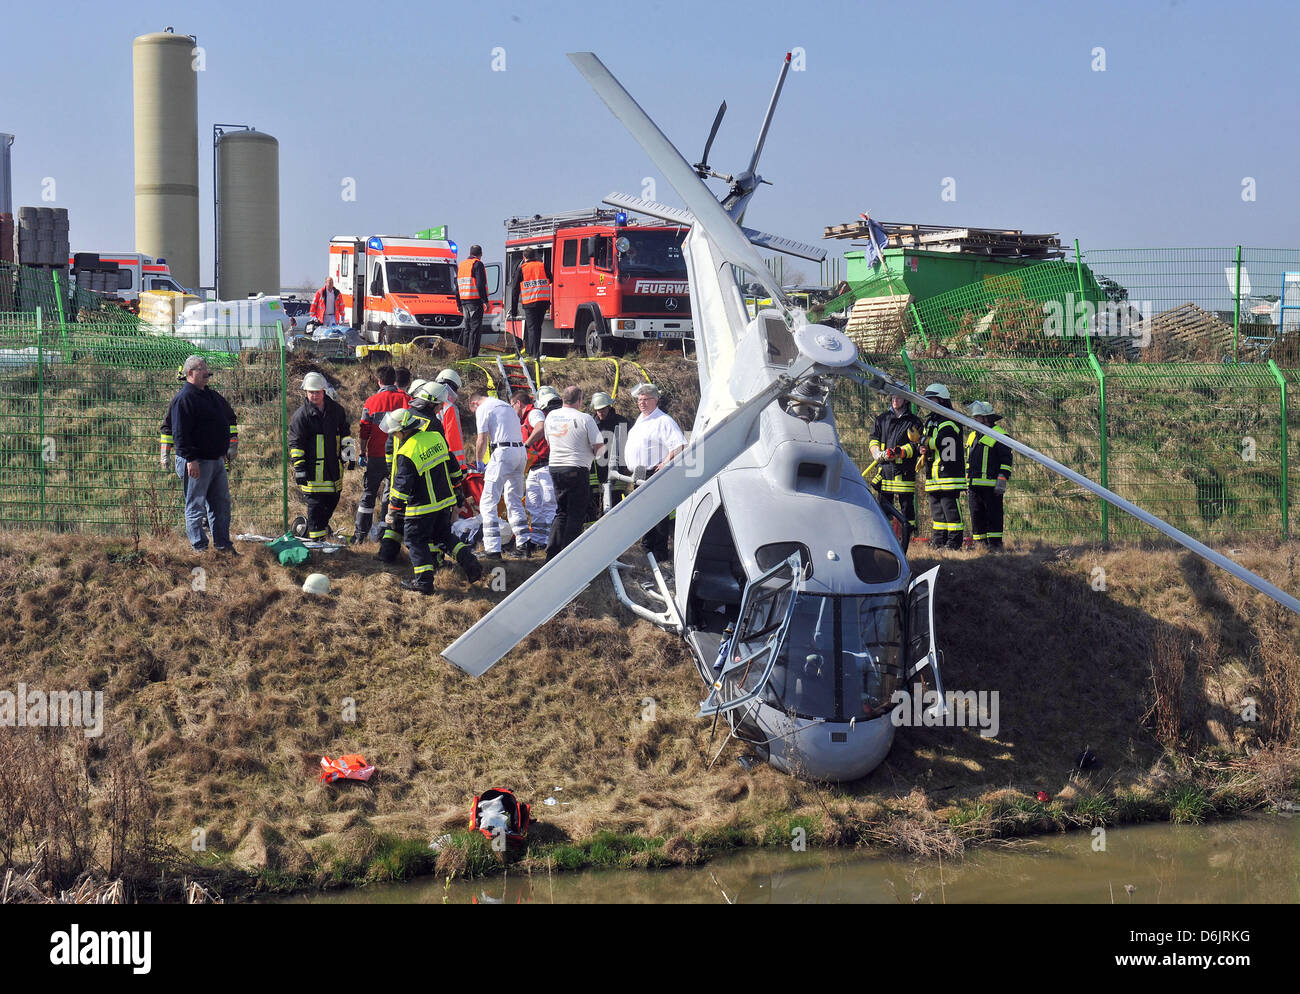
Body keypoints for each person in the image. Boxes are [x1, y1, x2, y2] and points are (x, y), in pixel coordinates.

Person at [384, 408, 481, 594]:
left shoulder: (406, 452)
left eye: (395, 433)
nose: (394, 436)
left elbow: (402, 487)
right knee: (444, 537)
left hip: (421, 508)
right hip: (444, 503)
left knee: (415, 541)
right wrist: (457, 490)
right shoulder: (435, 438)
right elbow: (453, 467)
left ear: (403, 431)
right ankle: (471, 563)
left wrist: (394, 511)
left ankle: (423, 583)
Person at [167, 355, 239, 553]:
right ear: (190, 373)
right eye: (201, 369)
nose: (207, 372)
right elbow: (180, 433)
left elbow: (228, 419)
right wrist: (191, 459)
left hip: (216, 460)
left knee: (221, 504)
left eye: (206, 368)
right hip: (197, 461)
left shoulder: (211, 396)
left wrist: (225, 448)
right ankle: (200, 548)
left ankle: (223, 545)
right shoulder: (184, 399)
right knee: (196, 505)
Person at [624, 383, 686, 562]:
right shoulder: (641, 419)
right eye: (639, 400)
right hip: (640, 473)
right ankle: (647, 548)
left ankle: (659, 553)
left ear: (655, 400)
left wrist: (665, 463)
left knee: (658, 513)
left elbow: (679, 445)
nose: (641, 403)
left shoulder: (663, 420)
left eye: (645, 400)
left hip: (655, 473)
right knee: (644, 513)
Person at [290, 371, 355, 540]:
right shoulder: (301, 416)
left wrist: (349, 453)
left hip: (333, 470)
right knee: (316, 507)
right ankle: (316, 542)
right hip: (313, 474)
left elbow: (345, 432)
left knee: (332, 502)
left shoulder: (336, 410)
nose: (314, 395)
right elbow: (296, 444)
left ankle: (319, 531)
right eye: (311, 392)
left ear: (324, 391)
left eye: (317, 391)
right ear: (305, 392)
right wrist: (299, 468)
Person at [467, 387, 530, 560]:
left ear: (474, 402)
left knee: (488, 502)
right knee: (514, 499)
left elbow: (482, 439)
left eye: (472, 410)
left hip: (503, 453)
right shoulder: (505, 406)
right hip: (520, 452)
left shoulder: (483, 408)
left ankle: (492, 549)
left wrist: (479, 462)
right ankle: (524, 545)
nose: (474, 413)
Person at [544, 385, 605, 560]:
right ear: (579, 400)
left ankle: (552, 554)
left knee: (561, 511)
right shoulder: (585, 418)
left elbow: (550, 442)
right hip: (577, 468)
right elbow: (599, 448)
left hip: (555, 467)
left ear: (563, 399)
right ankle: (569, 556)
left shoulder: (551, 417)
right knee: (576, 513)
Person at [353, 365, 411, 542]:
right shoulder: (406, 399)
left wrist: (362, 452)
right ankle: (386, 533)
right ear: (394, 381)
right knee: (391, 494)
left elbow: (364, 430)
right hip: (398, 456)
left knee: (369, 493)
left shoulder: (371, 402)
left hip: (376, 455)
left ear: (379, 381)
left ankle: (360, 534)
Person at [512, 386, 559, 557]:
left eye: (512, 406)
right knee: (533, 505)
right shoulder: (524, 419)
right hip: (534, 467)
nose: (512, 411)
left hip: (545, 465)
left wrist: (527, 445)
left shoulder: (533, 413)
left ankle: (550, 541)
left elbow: (540, 427)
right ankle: (540, 540)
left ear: (518, 403)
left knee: (548, 503)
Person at [868, 394, 923, 540]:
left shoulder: (913, 422)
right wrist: (876, 452)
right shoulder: (882, 419)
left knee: (906, 506)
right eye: (892, 397)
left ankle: (908, 537)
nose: (895, 400)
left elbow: (916, 445)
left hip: (904, 471)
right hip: (885, 470)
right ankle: (885, 537)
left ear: (905, 400)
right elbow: (874, 438)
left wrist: (900, 452)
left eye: (898, 397)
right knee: (884, 504)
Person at [920, 383, 966, 550]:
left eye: (932, 399)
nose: (929, 402)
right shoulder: (931, 420)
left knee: (950, 509)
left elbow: (946, 442)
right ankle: (939, 541)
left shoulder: (949, 419)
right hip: (933, 474)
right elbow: (926, 441)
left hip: (948, 474)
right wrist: (922, 447)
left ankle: (954, 544)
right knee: (937, 512)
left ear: (942, 400)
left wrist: (926, 442)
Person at [964, 401, 1012, 551]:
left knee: (993, 514)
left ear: (986, 418)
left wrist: (1002, 479)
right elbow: (968, 460)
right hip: (974, 484)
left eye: (977, 417)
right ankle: (980, 545)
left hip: (992, 485)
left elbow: (1006, 460)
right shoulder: (972, 435)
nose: (974, 420)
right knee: (976, 514)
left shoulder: (1000, 435)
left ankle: (995, 545)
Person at [590, 391, 631, 516]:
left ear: (609, 407)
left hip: (617, 471)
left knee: (616, 504)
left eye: (602, 409)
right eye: (597, 410)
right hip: (595, 473)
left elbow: (628, 446)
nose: (600, 413)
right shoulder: (591, 423)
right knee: (596, 507)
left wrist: (625, 468)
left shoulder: (622, 422)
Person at [516, 247, 551, 357]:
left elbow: (515, 289)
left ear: (524, 257)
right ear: (535, 256)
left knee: (532, 328)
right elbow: (551, 278)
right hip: (542, 302)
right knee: (537, 328)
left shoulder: (522, 268)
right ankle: (535, 353)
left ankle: (534, 354)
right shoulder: (542, 265)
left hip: (529, 303)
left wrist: (513, 308)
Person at [456, 244, 489, 356]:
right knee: (475, 329)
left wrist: (458, 303)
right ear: (480, 254)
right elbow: (480, 284)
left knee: (467, 328)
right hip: (475, 301)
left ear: (470, 253)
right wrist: (485, 300)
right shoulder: (477, 264)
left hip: (464, 301)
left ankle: (464, 353)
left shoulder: (462, 265)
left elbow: (457, 285)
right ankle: (473, 355)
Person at [435, 368, 466, 466]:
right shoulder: (449, 407)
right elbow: (453, 439)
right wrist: (460, 466)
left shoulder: (428, 403)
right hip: (444, 459)